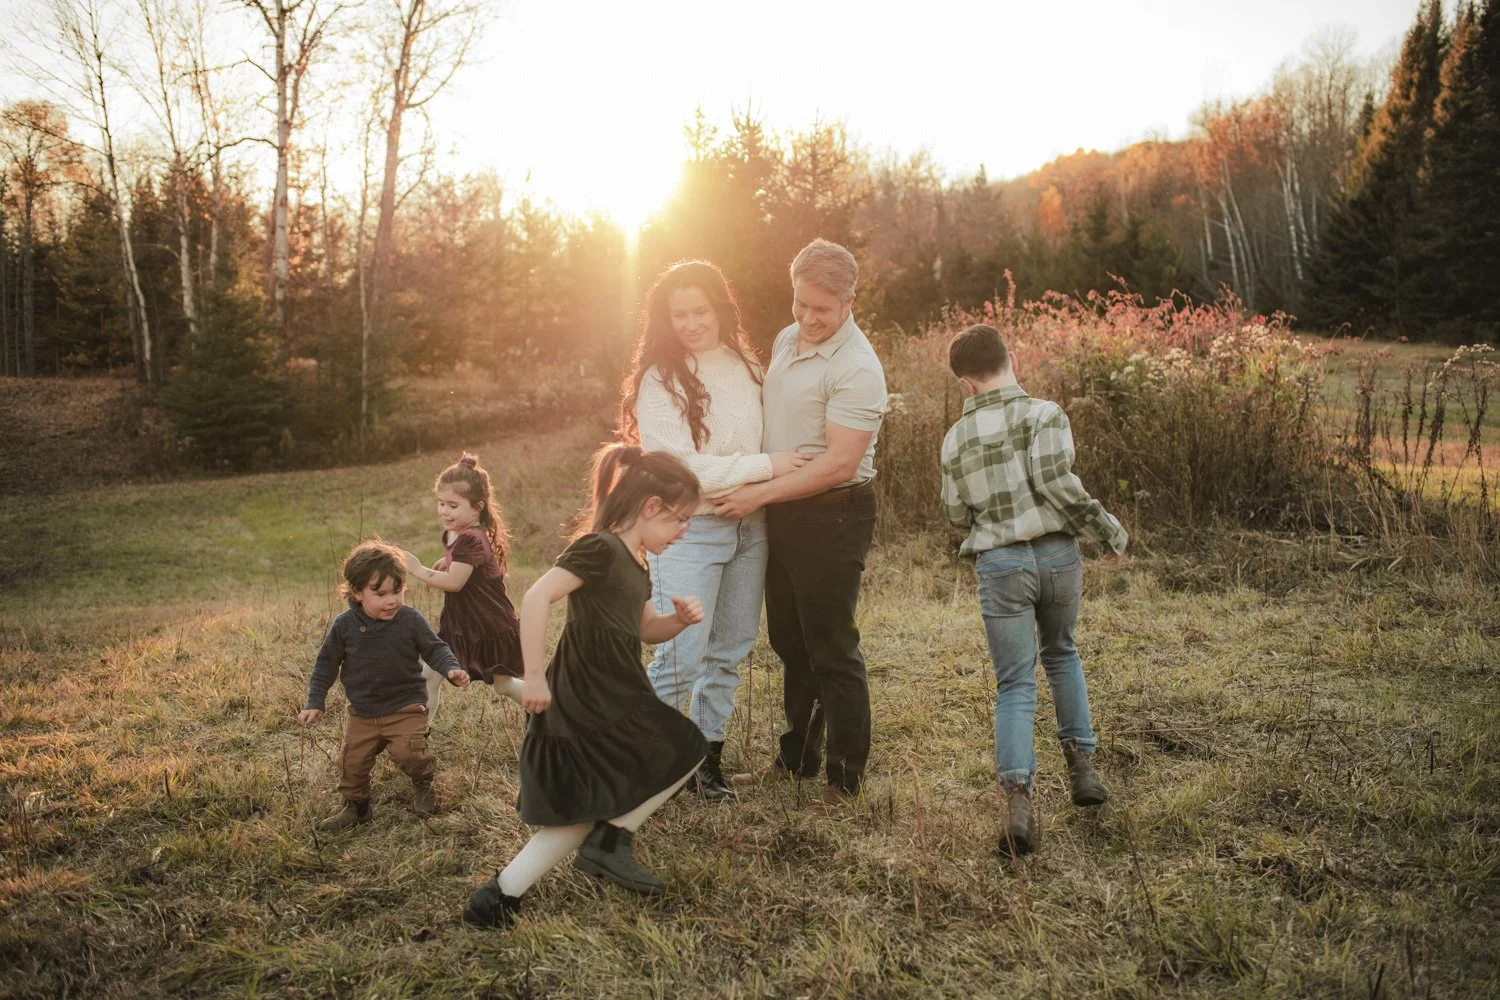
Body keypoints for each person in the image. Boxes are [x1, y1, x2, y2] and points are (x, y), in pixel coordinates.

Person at [463, 445, 709, 930]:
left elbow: (643, 630)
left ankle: (497, 897)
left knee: (588, 801)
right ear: (650, 506)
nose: (685, 531)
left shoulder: (637, 564)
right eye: (681, 520)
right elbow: (537, 597)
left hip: (614, 685)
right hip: (591, 690)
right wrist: (533, 675)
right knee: (686, 746)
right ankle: (610, 843)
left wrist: (676, 623)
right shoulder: (599, 548)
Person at [620, 260, 810, 802]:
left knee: (730, 648)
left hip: (751, 525)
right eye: (678, 314)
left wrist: (761, 482)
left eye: (700, 311)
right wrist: (766, 467)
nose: (690, 323)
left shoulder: (746, 364)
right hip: (688, 530)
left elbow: (765, 435)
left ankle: (703, 763)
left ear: (719, 309)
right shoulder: (659, 380)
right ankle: (640, 764)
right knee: (682, 653)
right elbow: (675, 468)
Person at [714, 239, 887, 813]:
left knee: (832, 645)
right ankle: (797, 759)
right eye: (800, 304)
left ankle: (845, 778)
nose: (809, 319)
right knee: (790, 641)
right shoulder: (789, 339)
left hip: (832, 513)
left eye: (822, 309)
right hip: (781, 507)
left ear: (849, 301)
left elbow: (837, 463)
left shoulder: (858, 368)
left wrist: (755, 494)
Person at [940, 323, 1125, 856]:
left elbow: (954, 513)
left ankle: (1019, 801)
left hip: (1001, 564)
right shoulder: (1046, 414)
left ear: (967, 384)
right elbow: (1059, 485)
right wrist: (1107, 528)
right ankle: (1083, 770)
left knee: (1015, 683)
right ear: (1010, 359)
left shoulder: (955, 438)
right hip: (1056, 555)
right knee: (1063, 653)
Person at [298, 540, 471, 831]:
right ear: (356, 593)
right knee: (350, 763)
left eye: (397, 591)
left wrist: (451, 669)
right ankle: (357, 808)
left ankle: (423, 781)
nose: (391, 600)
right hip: (363, 711)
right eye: (380, 594)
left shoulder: (410, 620)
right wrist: (315, 701)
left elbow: (435, 648)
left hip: (406, 705)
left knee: (409, 753)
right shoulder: (345, 626)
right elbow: (325, 664)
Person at [403, 453, 525, 709]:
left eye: (453, 505)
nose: (444, 511)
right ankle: (417, 739)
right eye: (441, 503)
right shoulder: (461, 532)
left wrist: (417, 569)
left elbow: (454, 583)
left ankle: (550, 710)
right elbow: (468, 561)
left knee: (504, 685)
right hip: (462, 622)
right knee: (429, 676)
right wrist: (449, 559)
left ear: (477, 507)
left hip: (487, 623)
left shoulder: (471, 538)